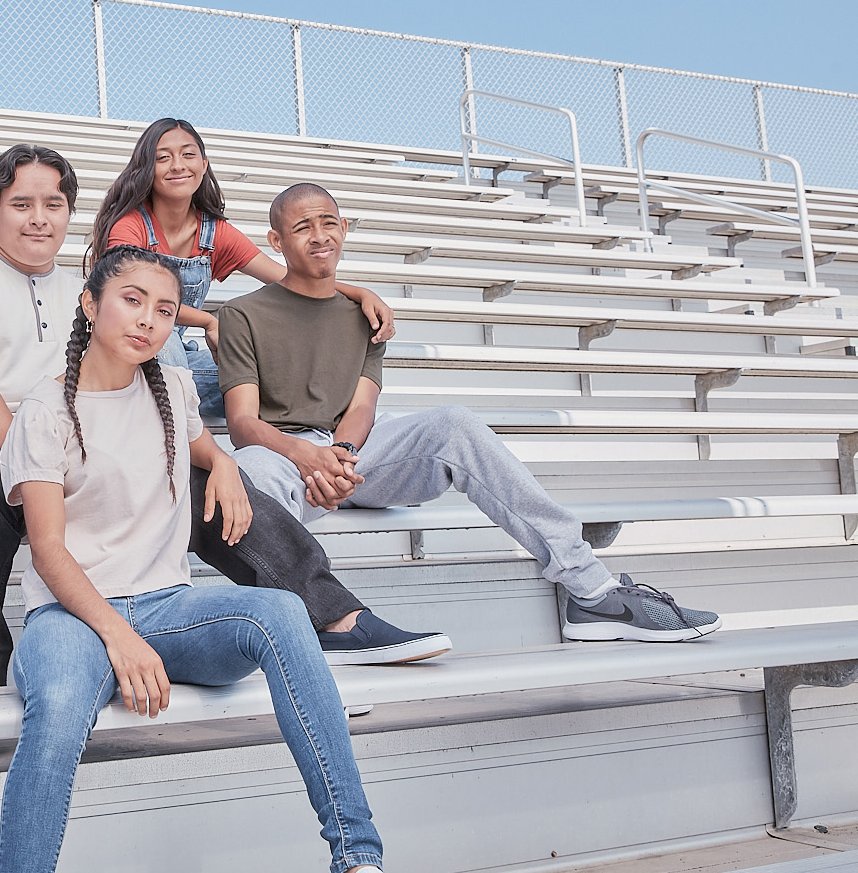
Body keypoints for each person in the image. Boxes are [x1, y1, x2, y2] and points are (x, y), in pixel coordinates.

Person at [0, 147, 448, 733]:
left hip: (94, 436)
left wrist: (219, 460)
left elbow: (275, 286)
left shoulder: (93, 288)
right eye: (22, 204)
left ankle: (337, 621)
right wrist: (50, 454)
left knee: (211, 486)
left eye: (54, 204)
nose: (39, 217)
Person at [0, 245, 383, 873]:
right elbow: (47, 551)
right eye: (132, 300)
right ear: (90, 304)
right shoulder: (44, 412)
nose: (148, 319)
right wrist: (118, 637)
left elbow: (203, 445)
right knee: (59, 714)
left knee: (281, 612)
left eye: (166, 309)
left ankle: (358, 855)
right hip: (71, 617)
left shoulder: (173, 387)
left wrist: (225, 465)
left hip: (168, 607)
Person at [218, 182, 723, 643]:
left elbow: (363, 404)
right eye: (302, 227)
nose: (320, 235)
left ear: (345, 228)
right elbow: (242, 424)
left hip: (358, 458)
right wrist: (307, 455)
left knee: (454, 423)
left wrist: (342, 453)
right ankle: (318, 624)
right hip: (288, 459)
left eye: (329, 222)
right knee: (247, 472)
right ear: (276, 241)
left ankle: (593, 593)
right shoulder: (242, 315)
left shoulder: (366, 315)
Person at [91, 117, 396, 418]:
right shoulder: (130, 225)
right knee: (164, 342)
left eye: (188, 154)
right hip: (130, 348)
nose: (178, 165)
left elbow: (285, 277)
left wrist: (360, 293)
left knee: (258, 382)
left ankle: (314, 443)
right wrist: (209, 322)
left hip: (180, 356)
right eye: (163, 158)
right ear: (147, 168)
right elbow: (131, 299)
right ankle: (171, 450)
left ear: (204, 163)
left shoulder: (214, 232)